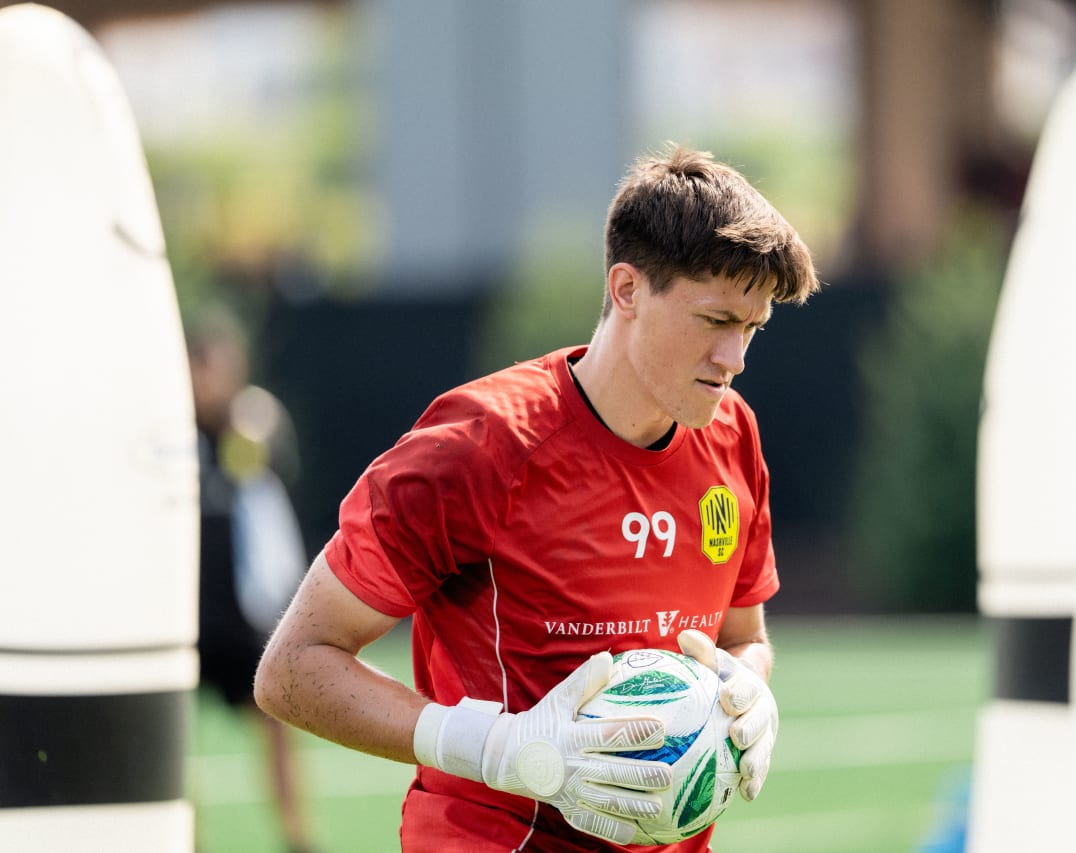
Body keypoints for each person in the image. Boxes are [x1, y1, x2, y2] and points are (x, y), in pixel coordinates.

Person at [254, 143, 822, 852]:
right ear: (626, 289)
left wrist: (747, 691)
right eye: (715, 321)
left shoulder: (732, 435)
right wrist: (498, 746)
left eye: (752, 328)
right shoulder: (480, 446)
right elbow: (292, 667)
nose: (735, 358)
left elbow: (742, 635)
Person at [187, 308, 317, 853]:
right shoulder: (170, 429)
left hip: (243, 614)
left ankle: (296, 836)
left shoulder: (252, 420)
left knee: (276, 721)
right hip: (186, 614)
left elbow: (268, 452)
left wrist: (251, 428)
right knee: (172, 740)